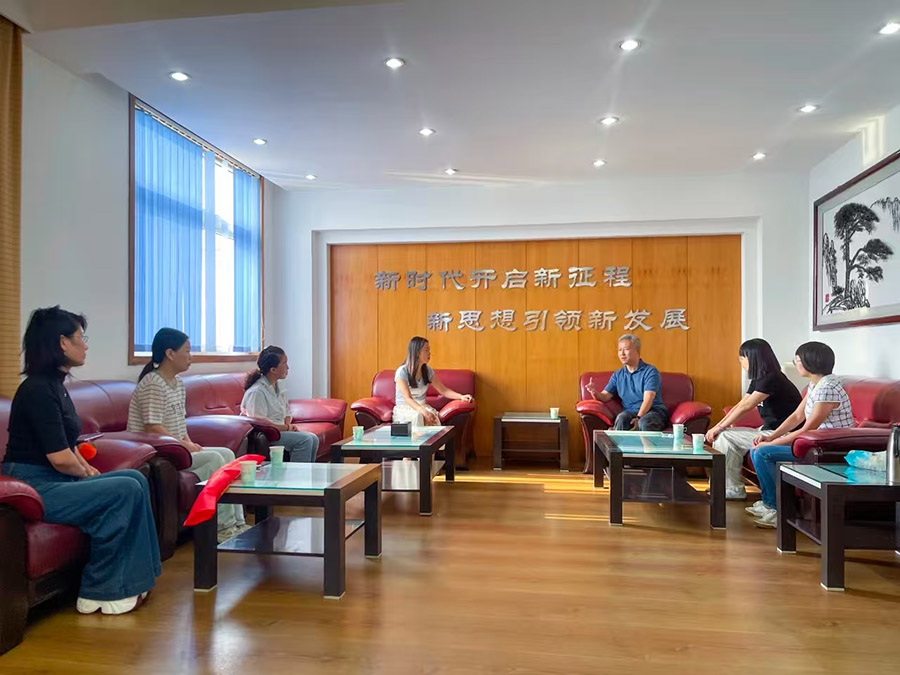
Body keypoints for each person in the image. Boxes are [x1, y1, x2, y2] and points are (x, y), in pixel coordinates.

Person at [2, 306, 160, 615]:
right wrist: (88, 476)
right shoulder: (36, 390)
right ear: (63, 342)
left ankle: (136, 579)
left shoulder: (55, 386)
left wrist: (89, 470)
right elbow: (60, 458)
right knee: (124, 489)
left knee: (135, 479)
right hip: (33, 486)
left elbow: (69, 444)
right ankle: (101, 590)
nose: (85, 345)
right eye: (81, 338)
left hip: (53, 480)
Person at [127, 328, 248, 543]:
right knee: (214, 459)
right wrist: (184, 446)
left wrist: (190, 444)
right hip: (158, 451)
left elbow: (179, 424)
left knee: (228, 455)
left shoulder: (178, 384)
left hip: (177, 448)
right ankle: (223, 528)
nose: (191, 357)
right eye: (187, 351)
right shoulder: (153, 383)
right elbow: (153, 427)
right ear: (170, 353)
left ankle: (237, 523)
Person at [747, 341, 854, 528]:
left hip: (828, 449)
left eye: (797, 360)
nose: (795, 364)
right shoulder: (815, 384)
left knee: (763, 453)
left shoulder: (828, 388)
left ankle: (778, 510)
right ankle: (769, 503)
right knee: (756, 448)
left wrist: (771, 443)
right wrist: (770, 437)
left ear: (809, 362)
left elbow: (808, 428)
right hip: (813, 444)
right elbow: (797, 416)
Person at [705, 338, 802, 500]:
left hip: (783, 434)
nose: (740, 361)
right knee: (724, 434)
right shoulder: (760, 379)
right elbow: (740, 404)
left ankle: (731, 488)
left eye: (742, 357)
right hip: (769, 430)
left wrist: (720, 428)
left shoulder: (772, 379)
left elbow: (746, 406)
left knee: (725, 436)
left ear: (753, 358)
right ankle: (729, 487)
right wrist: (719, 426)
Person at [240, 345, 319, 461]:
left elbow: (286, 411)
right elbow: (260, 424)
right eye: (284, 364)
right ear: (273, 370)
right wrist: (286, 427)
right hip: (268, 435)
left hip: (280, 430)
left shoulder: (279, 385)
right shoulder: (257, 392)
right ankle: (297, 473)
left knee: (313, 438)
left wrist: (288, 425)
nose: (288, 367)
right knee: (305, 440)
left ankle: (307, 472)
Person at [585, 334, 668, 431]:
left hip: (653, 411)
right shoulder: (618, 374)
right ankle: (617, 442)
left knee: (644, 422)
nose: (622, 353)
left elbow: (648, 399)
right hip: (630, 412)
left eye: (626, 349)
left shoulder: (650, 371)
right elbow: (604, 396)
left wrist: (639, 417)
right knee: (622, 418)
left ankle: (646, 441)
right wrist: (594, 392)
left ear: (637, 351)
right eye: (620, 350)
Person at [394, 336, 473, 426]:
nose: (429, 353)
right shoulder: (402, 372)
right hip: (404, 409)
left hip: (422, 406)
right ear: (417, 352)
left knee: (432, 418)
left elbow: (443, 390)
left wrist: (461, 397)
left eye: (429, 350)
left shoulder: (427, 370)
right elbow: (408, 398)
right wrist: (424, 412)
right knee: (419, 417)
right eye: (426, 350)